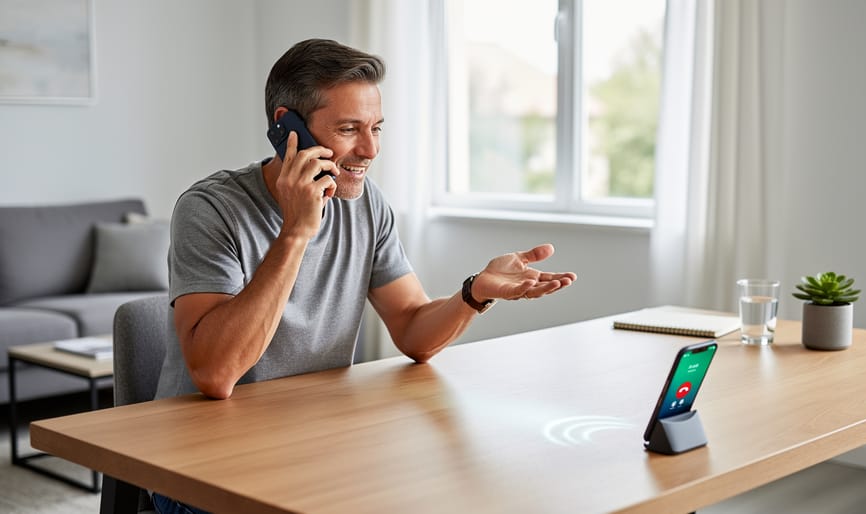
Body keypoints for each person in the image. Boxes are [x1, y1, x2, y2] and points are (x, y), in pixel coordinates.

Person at [151, 39, 576, 514]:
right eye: (349, 129)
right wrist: (296, 232)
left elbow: (412, 328)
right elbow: (215, 375)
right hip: (200, 468)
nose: (370, 149)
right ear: (286, 127)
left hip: (310, 445)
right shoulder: (210, 209)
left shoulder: (365, 203)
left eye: (375, 128)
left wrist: (473, 292)